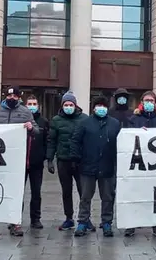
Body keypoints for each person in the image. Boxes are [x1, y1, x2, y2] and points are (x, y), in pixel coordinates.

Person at [0, 86, 38, 237]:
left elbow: (36, 131)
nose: (12, 98)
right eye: (9, 95)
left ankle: (15, 223)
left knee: (15, 191)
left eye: (15, 96)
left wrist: (31, 128)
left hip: (16, 160)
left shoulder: (25, 112)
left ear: (19, 97)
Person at [71, 96, 121, 238]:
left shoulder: (115, 124)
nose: (101, 108)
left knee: (108, 196)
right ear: (93, 108)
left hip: (108, 166)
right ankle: (82, 222)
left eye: (103, 106)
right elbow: (76, 141)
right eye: (98, 105)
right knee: (85, 196)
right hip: (88, 166)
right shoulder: (85, 123)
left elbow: (122, 142)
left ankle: (106, 223)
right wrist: (76, 159)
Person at [125, 90, 156, 237]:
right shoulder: (134, 119)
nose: (149, 103)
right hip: (139, 163)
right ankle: (132, 224)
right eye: (147, 100)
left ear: (155, 103)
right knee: (136, 193)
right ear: (142, 102)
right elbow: (127, 136)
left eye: (152, 101)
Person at [46, 91, 88, 231]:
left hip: (80, 161)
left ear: (75, 105)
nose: (68, 106)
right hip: (63, 160)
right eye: (66, 104)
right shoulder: (56, 120)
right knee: (66, 191)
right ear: (62, 105)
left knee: (84, 191)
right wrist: (50, 159)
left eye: (71, 104)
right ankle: (69, 217)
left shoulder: (84, 119)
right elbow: (51, 140)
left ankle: (85, 218)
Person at [24, 95, 48, 229]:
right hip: (20, 162)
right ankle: (15, 219)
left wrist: (44, 156)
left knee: (36, 192)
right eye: (29, 103)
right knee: (19, 192)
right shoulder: (21, 119)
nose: (32, 106)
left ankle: (35, 218)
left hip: (36, 163)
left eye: (34, 103)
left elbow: (46, 140)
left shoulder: (43, 121)